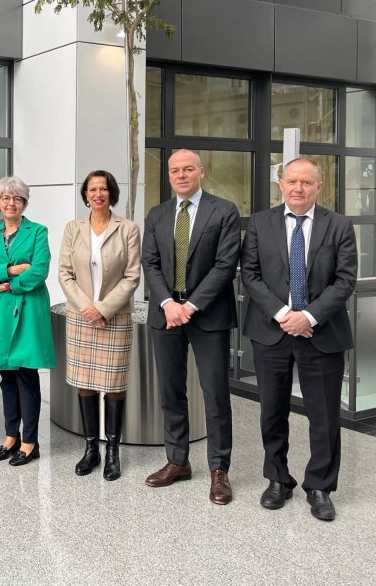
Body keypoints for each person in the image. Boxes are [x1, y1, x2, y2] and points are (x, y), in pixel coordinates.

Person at [241, 157, 357, 521]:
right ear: (281, 184)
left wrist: (307, 316)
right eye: (292, 181)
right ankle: (277, 479)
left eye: (306, 182)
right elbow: (251, 274)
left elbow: (345, 280)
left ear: (319, 187)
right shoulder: (260, 222)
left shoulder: (338, 225)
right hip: (271, 332)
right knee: (272, 411)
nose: (298, 188)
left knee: (323, 415)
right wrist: (283, 315)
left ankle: (320, 486)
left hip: (321, 333)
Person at [141, 149, 240, 505]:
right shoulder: (157, 214)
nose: (180, 175)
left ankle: (219, 470)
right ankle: (177, 461)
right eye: (174, 171)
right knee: (171, 392)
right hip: (165, 314)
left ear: (202, 171)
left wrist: (192, 306)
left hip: (207, 315)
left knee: (215, 394)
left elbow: (225, 265)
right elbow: (149, 263)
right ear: (169, 176)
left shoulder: (224, 211)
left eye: (187, 169)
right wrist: (169, 303)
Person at [58, 170, 140, 480]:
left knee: (115, 385)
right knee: (85, 381)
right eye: (92, 189)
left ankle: (113, 452)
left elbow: (133, 275)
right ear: (85, 194)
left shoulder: (128, 228)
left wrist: (104, 308)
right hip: (81, 316)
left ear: (111, 193)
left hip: (114, 317)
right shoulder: (73, 228)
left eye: (103, 188)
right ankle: (91, 448)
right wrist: (86, 308)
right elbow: (65, 273)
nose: (98, 194)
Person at [0, 176, 55, 466]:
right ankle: (11, 436)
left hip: (28, 308)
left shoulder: (37, 232)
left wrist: (8, 284)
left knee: (25, 375)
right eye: (6, 198)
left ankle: (30, 442)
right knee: (6, 376)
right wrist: (9, 268)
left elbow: (39, 270)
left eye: (17, 198)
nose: (11, 203)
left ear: (24, 203)